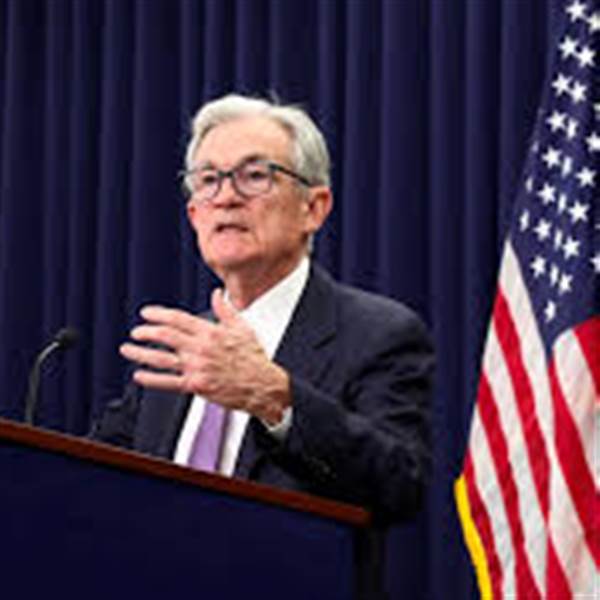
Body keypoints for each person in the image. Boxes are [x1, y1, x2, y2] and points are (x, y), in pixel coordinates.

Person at [92, 94, 434, 523]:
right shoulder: (181, 352)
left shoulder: (379, 334)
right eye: (208, 179)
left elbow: (399, 485)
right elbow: (91, 481)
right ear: (195, 215)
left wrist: (277, 398)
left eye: (254, 176)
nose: (226, 197)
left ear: (314, 208)